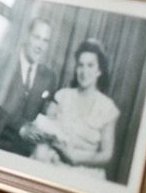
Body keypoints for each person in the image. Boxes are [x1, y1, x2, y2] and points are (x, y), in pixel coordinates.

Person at [22, 39, 120, 178]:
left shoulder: (107, 108)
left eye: (90, 65)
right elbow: (45, 128)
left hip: (85, 172)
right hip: (53, 162)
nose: (84, 71)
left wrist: (75, 158)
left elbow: (106, 155)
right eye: (80, 65)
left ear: (99, 70)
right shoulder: (62, 96)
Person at [0, 17, 58, 154]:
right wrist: (21, 127)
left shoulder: (49, 77)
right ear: (27, 36)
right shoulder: (4, 62)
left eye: (45, 41)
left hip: (22, 152)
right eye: (37, 37)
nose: (40, 46)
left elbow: (45, 116)